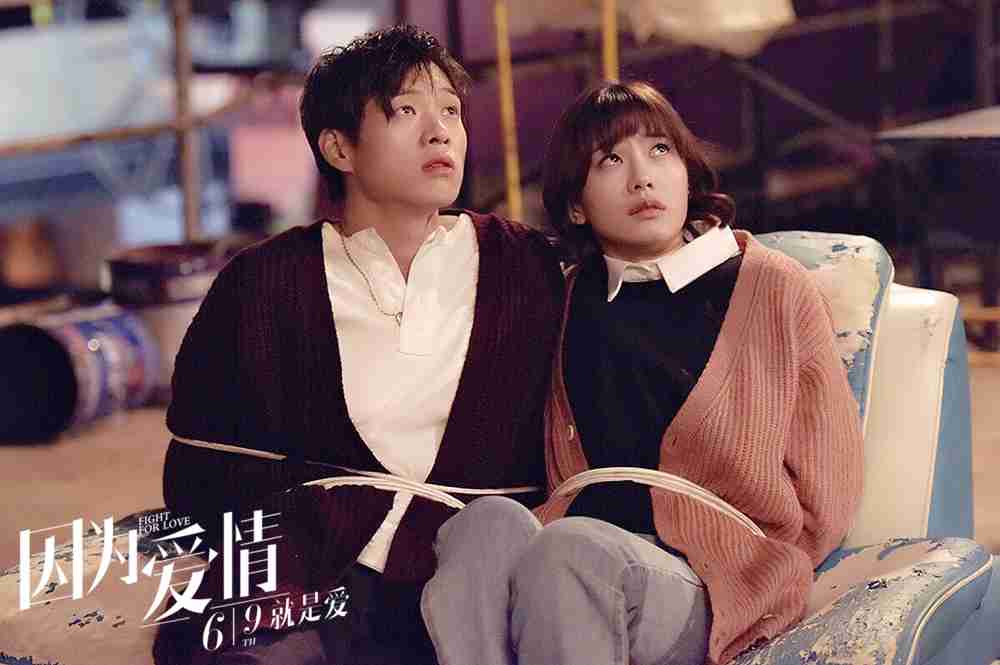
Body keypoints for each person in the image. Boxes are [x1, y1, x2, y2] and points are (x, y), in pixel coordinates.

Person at [152, 24, 563, 665]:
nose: (441, 132)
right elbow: (201, 469)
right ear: (339, 147)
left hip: (477, 573)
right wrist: (331, 517)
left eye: (451, 111)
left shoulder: (525, 266)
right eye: (406, 111)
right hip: (314, 568)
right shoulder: (263, 283)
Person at [421, 81, 864, 665]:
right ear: (576, 206)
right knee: (482, 527)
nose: (642, 178)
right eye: (610, 160)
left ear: (687, 174)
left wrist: (763, 571)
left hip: (710, 580)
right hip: (574, 559)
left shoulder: (772, 286)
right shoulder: (567, 299)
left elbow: (830, 482)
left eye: (660, 151)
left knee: (574, 551)